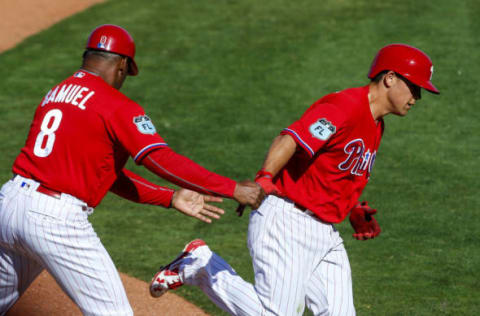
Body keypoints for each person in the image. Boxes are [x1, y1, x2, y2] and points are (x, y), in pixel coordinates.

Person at [149, 43, 440, 315]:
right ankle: (199, 265)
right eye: (414, 87)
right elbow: (291, 139)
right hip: (287, 221)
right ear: (390, 78)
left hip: (325, 234)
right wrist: (264, 177)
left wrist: (352, 208)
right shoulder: (345, 107)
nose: (417, 97)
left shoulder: (377, 125)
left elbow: (339, 172)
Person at [0, 24, 264, 316]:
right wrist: (232, 188)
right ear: (123, 64)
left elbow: (105, 174)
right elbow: (160, 159)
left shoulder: (56, 93)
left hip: (9, 205)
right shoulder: (115, 104)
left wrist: (169, 197)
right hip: (54, 220)